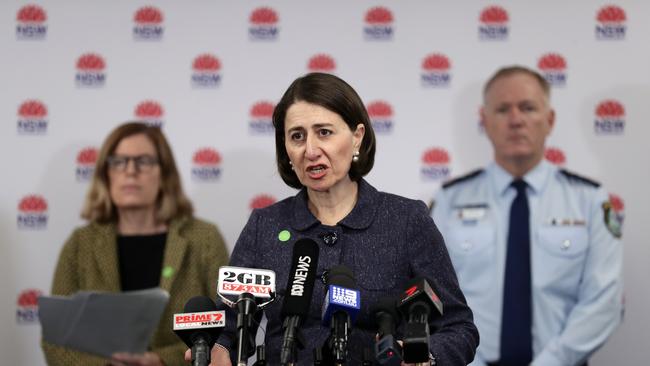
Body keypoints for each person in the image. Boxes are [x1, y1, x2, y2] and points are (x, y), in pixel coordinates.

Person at [196, 72, 478, 365]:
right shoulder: (265, 225)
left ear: (357, 137)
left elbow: (458, 328)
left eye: (324, 132)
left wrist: (426, 357)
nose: (311, 150)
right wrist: (218, 348)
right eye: (297, 136)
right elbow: (229, 327)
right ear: (286, 150)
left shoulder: (406, 220)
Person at [432, 66, 623, 366]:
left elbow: (603, 301)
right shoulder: (448, 201)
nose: (516, 119)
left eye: (528, 108)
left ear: (550, 120)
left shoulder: (588, 200)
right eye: (503, 109)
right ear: (484, 121)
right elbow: (433, 296)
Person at [42, 122, 229, 366]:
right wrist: (106, 364)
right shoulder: (80, 244)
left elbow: (227, 328)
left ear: (164, 173)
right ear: (105, 174)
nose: (130, 171)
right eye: (119, 162)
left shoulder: (203, 238)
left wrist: (161, 360)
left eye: (143, 161)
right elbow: (55, 339)